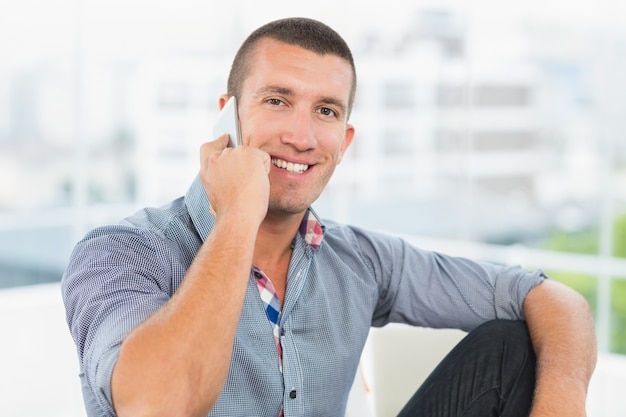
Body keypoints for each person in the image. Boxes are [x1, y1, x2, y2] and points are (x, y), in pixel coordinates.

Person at [61, 17, 597, 417]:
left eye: (325, 111)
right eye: (276, 100)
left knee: (509, 347)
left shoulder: (358, 259)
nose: (301, 135)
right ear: (228, 114)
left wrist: (562, 403)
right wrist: (237, 219)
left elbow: (551, 297)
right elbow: (158, 403)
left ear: (345, 139)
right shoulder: (122, 251)